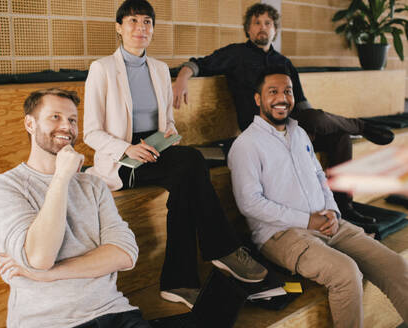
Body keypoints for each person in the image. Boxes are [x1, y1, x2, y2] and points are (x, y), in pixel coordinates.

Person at [83, 0, 267, 309]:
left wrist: (168, 135)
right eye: (133, 21)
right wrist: (128, 148)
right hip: (121, 159)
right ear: (119, 27)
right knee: (192, 165)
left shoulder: (157, 70)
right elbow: (90, 132)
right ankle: (221, 248)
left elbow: (167, 121)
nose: (141, 28)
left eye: (147, 22)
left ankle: (178, 284)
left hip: (155, 150)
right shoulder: (101, 69)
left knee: (186, 179)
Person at [173, 3, 395, 225]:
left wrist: (311, 129)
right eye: (257, 23)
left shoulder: (284, 62)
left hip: (294, 129)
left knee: (338, 137)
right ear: (248, 30)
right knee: (320, 122)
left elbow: (302, 104)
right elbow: (199, 64)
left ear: (275, 29)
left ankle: (344, 207)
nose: (262, 27)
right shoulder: (235, 54)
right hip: (260, 133)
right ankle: (361, 126)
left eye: (268, 23)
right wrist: (182, 79)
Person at [227, 65, 408, 328]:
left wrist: (333, 211)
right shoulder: (246, 145)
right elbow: (249, 203)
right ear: (258, 99)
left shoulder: (299, 133)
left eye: (287, 91)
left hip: (328, 222)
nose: (282, 97)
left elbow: (320, 177)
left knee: (395, 265)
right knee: (346, 273)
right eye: (273, 91)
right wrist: (307, 220)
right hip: (281, 234)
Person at [0, 88, 150, 328]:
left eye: (72, 120)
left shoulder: (93, 185)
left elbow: (124, 253)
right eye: (55, 117)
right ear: (30, 123)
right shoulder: (2, 187)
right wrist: (61, 177)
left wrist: (48, 275)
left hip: (115, 312)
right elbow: (39, 257)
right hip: (49, 322)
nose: (66, 126)